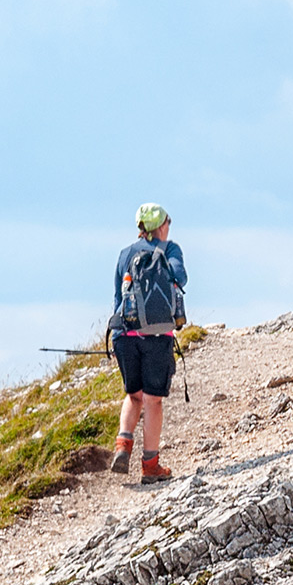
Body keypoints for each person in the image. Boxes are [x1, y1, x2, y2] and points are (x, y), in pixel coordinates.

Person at [110, 202, 185, 483]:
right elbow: (181, 277)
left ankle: (123, 445)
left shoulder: (125, 253)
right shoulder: (170, 249)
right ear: (162, 225)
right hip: (157, 336)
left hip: (125, 336)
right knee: (153, 401)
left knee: (134, 396)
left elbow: (118, 299)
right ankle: (150, 466)